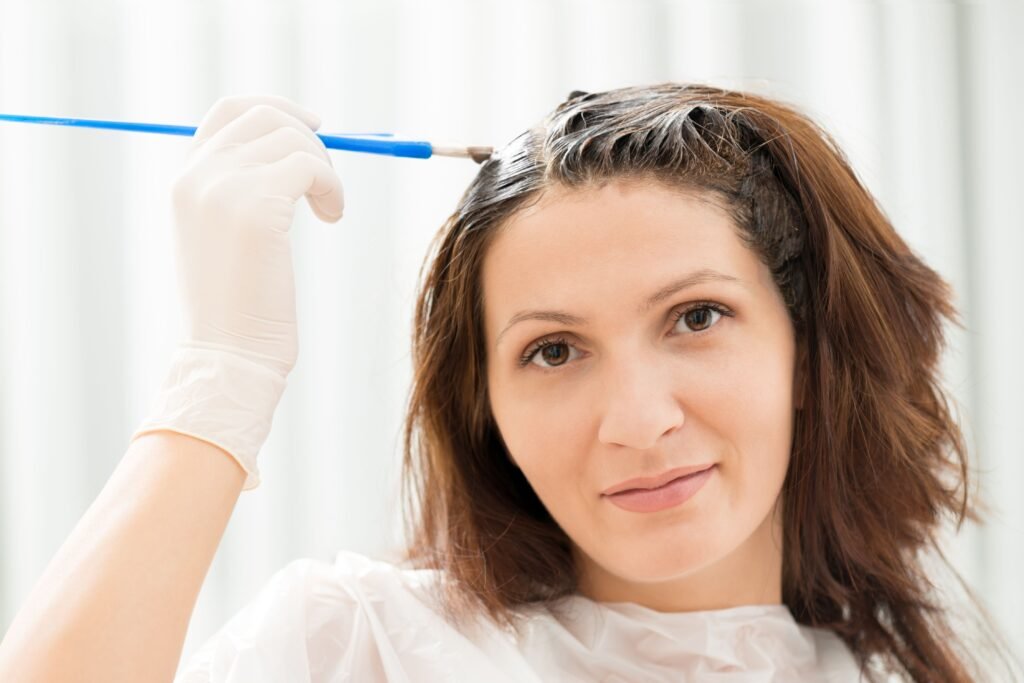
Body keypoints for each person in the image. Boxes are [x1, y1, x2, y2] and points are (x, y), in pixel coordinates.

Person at [0, 85, 1015, 682]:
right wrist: (224, 369)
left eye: (696, 317)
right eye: (554, 349)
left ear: (810, 349)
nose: (637, 420)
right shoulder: (361, 645)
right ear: (481, 400)